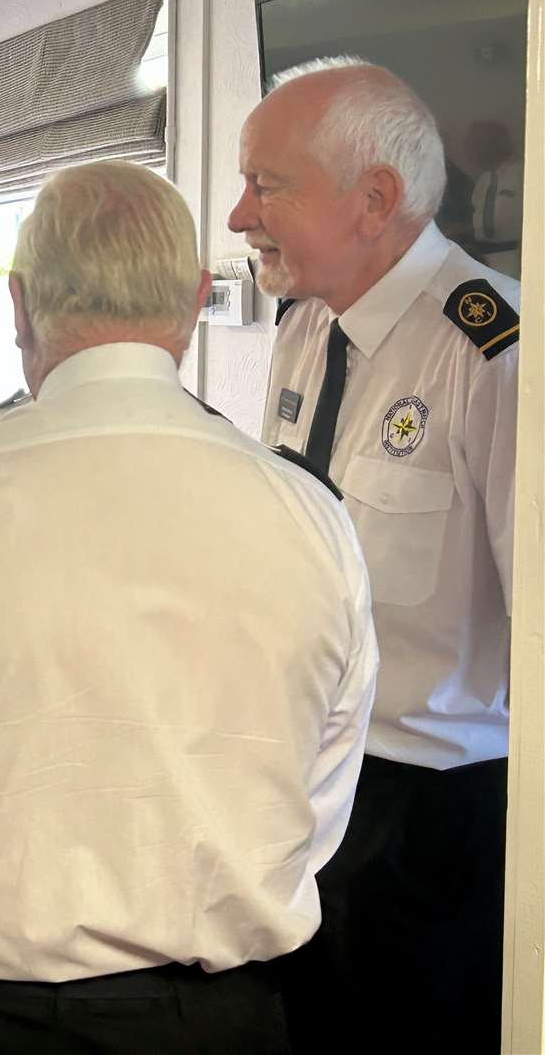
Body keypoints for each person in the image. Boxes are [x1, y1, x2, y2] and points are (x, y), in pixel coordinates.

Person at [0, 161, 379, 1054]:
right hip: (217, 1019)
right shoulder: (310, 513)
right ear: (189, 300)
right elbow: (324, 786)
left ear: (18, 306)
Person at [229, 57, 520, 1053]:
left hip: (433, 817)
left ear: (375, 202)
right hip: (305, 779)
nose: (236, 217)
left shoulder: (498, 349)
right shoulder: (306, 331)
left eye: (264, 186)